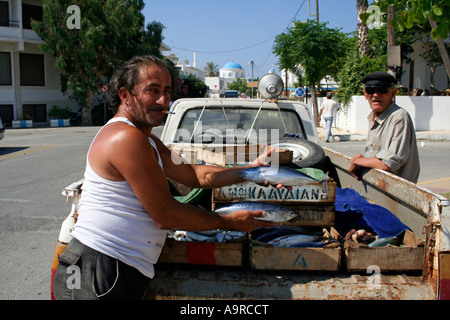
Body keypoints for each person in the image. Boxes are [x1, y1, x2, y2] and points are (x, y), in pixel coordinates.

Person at [53, 55, 277, 300]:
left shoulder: (146, 138)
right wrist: (228, 222)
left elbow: (194, 175)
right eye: (152, 90)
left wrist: (249, 171)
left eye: (167, 91)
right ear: (125, 95)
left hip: (113, 268)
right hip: (99, 267)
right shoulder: (125, 138)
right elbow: (165, 214)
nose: (163, 100)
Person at [350, 71, 420, 183]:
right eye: (370, 90)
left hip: (396, 194)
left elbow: (386, 164)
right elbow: (378, 156)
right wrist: (363, 159)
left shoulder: (399, 117)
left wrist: (358, 161)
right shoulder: (374, 117)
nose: (376, 95)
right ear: (365, 94)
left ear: (393, 93)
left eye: (382, 90)